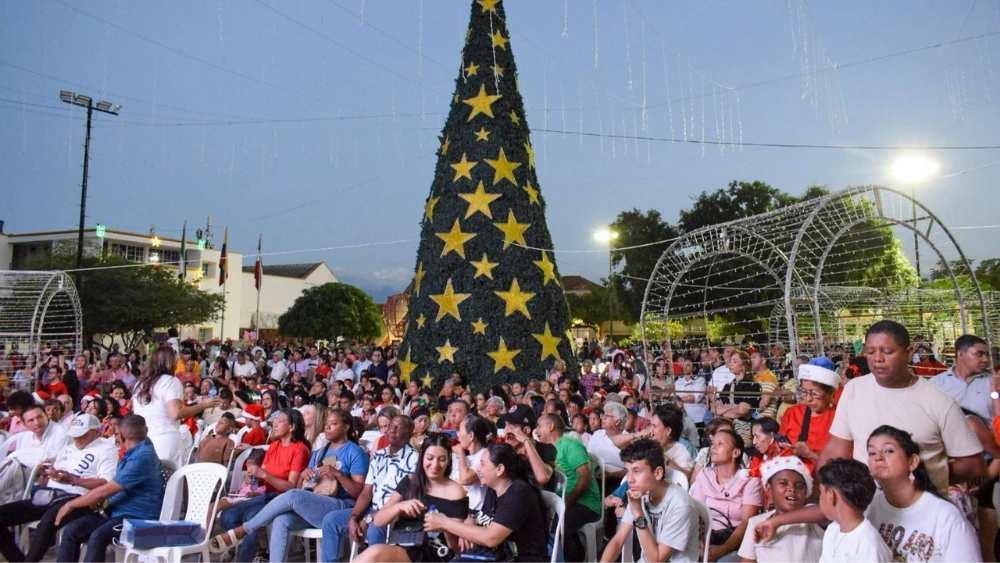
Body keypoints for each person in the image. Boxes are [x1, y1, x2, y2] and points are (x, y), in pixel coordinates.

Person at [819, 321, 985, 494]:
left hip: (922, 506)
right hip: (868, 504)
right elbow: (836, 448)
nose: (877, 359)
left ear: (909, 353)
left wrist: (926, 479)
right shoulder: (854, 389)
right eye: (870, 352)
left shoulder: (940, 401)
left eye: (887, 351)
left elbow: (973, 465)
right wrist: (824, 491)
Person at [210, 408, 369, 562]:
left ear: (346, 427)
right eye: (326, 423)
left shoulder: (355, 452)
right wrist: (304, 475)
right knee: (281, 520)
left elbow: (359, 493)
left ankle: (244, 529)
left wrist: (338, 474)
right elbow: (300, 488)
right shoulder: (320, 452)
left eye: (333, 424)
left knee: (292, 496)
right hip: (317, 503)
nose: (327, 427)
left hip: (342, 506)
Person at [0, 414, 117, 562]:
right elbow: (45, 482)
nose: (78, 439)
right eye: (75, 435)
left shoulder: (106, 449)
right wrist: (45, 474)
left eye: (82, 435)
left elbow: (106, 483)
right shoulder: (68, 448)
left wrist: (74, 480)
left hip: (79, 498)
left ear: (96, 431)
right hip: (50, 495)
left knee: (48, 521)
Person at [55, 414, 164, 563]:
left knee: (98, 536)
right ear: (146, 430)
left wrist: (69, 505)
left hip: (138, 517)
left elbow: (105, 490)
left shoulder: (142, 456)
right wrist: (104, 502)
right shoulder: (137, 449)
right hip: (117, 511)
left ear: (121, 435)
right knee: (72, 530)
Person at [865, 425, 982, 562]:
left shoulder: (945, 516)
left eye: (888, 451)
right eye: (872, 453)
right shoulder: (867, 506)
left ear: (912, 461)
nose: (878, 457)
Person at [424, 442, 549, 562]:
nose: (478, 469)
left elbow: (491, 538)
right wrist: (465, 525)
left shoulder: (519, 493)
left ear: (499, 469)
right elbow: (482, 521)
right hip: (495, 554)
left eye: (482, 464)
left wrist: (445, 523)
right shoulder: (494, 488)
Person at [354, 433, 469, 562]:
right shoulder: (409, 481)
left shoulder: (455, 491)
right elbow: (378, 521)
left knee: (375, 553)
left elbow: (455, 547)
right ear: (422, 457)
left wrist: (445, 525)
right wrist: (399, 506)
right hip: (404, 543)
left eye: (441, 459)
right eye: (430, 458)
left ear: (448, 460)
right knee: (373, 554)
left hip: (435, 551)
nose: (435, 465)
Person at [217, 409, 312, 562]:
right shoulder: (274, 446)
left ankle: (245, 559)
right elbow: (262, 479)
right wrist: (253, 477)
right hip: (267, 495)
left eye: (280, 421)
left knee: (250, 516)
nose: (275, 424)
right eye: (275, 420)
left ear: (292, 427)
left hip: (284, 500)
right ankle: (257, 550)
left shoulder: (300, 449)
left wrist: (264, 475)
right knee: (228, 516)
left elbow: (291, 488)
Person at [321, 414, 418, 562]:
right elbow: (366, 493)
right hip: (371, 510)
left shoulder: (414, 459)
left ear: (410, 434)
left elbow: (403, 499)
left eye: (399, 428)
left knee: (374, 528)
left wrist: (368, 519)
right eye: (391, 426)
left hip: (394, 514)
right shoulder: (379, 456)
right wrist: (353, 517)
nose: (392, 430)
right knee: (331, 520)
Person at [600, 439, 700, 563]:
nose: (629, 479)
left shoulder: (680, 505)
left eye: (637, 471)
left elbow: (656, 560)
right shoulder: (640, 493)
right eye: (627, 471)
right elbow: (618, 541)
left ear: (658, 473)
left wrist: (638, 513)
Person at [132, 346, 219, 467]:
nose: (177, 363)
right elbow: (175, 413)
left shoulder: (140, 384)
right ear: (169, 362)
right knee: (172, 477)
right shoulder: (171, 381)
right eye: (175, 360)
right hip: (165, 440)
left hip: (143, 440)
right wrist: (203, 405)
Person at [689, 429, 763, 560]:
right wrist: (700, 544)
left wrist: (724, 548)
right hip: (705, 537)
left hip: (736, 540)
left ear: (735, 453)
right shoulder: (704, 475)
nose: (713, 447)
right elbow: (695, 514)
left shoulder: (750, 480)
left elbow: (747, 521)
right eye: (713, 443)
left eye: (720, 443)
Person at [537, 413, 601, 562]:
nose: (536, 431)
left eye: (539, 426)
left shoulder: (570, 445)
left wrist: (568, 501)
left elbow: (586, 476)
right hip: (558, 501)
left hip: (584, 503)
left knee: (559, 525)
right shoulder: (544, 450)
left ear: (550, 426)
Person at [737, 456, 823, 562]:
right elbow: (747, 560)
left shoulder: (811, 518)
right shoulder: (756, 522)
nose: (792, 489)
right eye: (783, 483)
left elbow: (824, 512)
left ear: (806, 493)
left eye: (800, 486)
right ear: (769, 488)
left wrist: (776, 522)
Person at [816, 458, 892, 562]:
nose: (820, 498)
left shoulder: (869, 546)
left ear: (831, 495)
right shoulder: (833, 529)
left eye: (821, 493)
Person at [779, 362, 840, 468]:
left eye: (814, 393)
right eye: (804, 392)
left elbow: (842, 467)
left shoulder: (839, 418)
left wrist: (810, 455)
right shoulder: (792, 413)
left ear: (830, 393)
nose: (808, 399)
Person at [931, 334, 993, 421]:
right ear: (960, 354)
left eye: (987, 355)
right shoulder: (936, 384)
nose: (986, 359)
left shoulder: (993, 383)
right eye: (979, 354)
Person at [452, 415, 492, 513]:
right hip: (454, 507)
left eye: (460, 430)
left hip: (474, 512)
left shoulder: (486, 455)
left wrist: (460, 453)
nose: (457, 434)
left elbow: (465, 479)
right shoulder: (457, 454)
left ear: (471, 436)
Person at [587, 401, 630, 478]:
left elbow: (631, 470)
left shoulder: (628, 439)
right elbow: (588, 457)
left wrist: (611, 475)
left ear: (617, 422)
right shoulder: (597, 434)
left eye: (607, 416)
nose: (603, 418)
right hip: (594, 476)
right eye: (603, 415)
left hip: (618, 480)